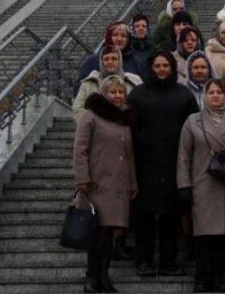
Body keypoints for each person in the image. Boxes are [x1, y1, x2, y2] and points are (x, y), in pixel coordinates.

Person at [126, 51, 198, 277]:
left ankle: (168, 262)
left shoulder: (184, 95)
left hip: (174, 165)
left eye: (165, 65)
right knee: (143, 218)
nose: (161, 69)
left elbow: (193, 128)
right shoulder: (137, 95)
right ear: (151, 67)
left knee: (170, 218)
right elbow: (129, 129)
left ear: (171, 67)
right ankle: (143, 261)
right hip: (144, 166)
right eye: (157, 65)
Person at [73, 75, 137, 293]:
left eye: (121, 92)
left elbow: (129, 156)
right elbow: (80, 149)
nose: (117, 96)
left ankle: (104, 275)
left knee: (109, 234)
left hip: (118, 186)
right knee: (97, 233)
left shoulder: (123, 119)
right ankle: (91, 276)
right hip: (97, 185)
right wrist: (82, 178)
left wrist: (133, 183)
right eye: (113, 92)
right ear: (104, 93)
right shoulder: (90, 116)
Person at [177, 78, 225, 292]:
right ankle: (201, 276)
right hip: (201, 184)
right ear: (205, 95)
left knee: (223, 235)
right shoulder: (192, 121)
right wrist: (184, 185)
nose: (216, 96)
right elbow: (184, 156)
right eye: (212, 92)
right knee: (203, 235)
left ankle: (220, 276)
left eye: (220, 92)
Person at [74, 45, 144, 120]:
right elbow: (78, 109)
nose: (110, 62)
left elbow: (143, 107)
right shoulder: (89, 83)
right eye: (106, 59)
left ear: (120, 60)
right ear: (101, 61)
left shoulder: (134, 82)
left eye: (114, 59)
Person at [78, 22, 145, 82]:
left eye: (123, 36)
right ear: (109, 37)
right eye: (115, 35)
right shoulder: (93, 61)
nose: (119, 39)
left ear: (128, 40)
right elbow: (80, 88)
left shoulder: (137, 63)